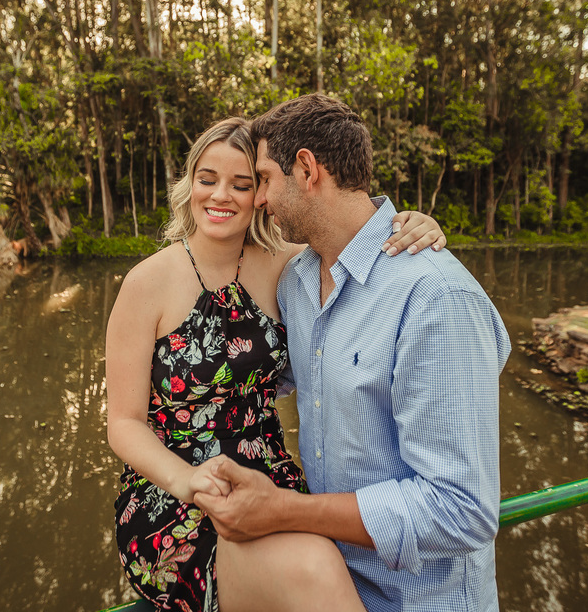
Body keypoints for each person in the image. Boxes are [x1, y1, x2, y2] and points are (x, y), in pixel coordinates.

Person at [106, 117, 446, 612]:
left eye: (242, 184)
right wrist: (189, 483)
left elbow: (354, 236)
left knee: (321, 561)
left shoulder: (292, 265)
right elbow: (124, 423)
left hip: (273, 480)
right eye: (207, 179)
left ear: (260, 195)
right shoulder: (145, 283)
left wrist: (412, 222)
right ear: (189, 184)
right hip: (174, 492)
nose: (220, 195)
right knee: (313, 567)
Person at [194, 94, 512, 612]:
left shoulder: (436, 297)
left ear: (306, 169)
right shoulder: (297, 281)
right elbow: (264, 379)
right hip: (325, 587)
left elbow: (464, 510)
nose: (260, 199)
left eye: (265, 179)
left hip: (420, 601)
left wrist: (286, 510)